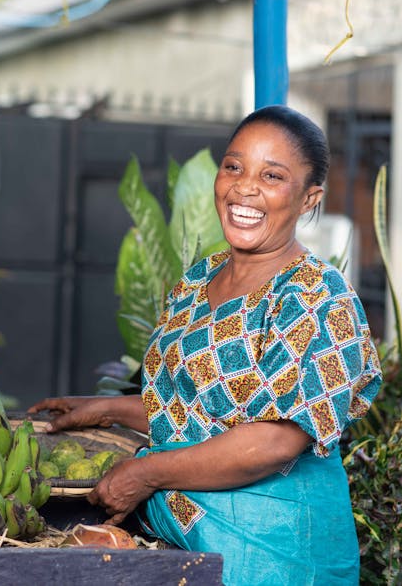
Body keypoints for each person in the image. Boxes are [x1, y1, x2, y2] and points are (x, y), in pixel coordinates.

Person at [30, 105, 382, 585]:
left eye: (272, 176)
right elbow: (198, 412)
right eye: (233, 166)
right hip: (183, 544)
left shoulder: (317, 297)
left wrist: (147, 473)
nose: (245, 187)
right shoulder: (199, 280)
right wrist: (106, 409)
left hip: (276, 561)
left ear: (308, 198)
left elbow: (276, 439)